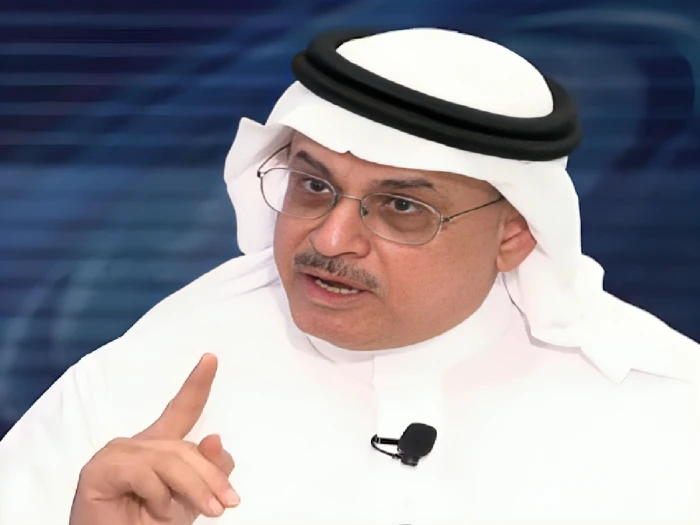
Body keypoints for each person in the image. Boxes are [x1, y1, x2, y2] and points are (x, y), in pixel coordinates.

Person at [0, 27, 698, 525]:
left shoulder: (670, 413)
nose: (331, 239)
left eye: (402, 208)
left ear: (514, 233)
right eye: (313, 185)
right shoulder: (130, 387)